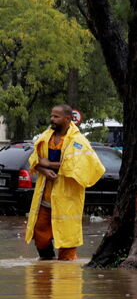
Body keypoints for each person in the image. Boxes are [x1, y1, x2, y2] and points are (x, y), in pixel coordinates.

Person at [25, 104, 105, 261]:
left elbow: (76, 165)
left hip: (67, 198)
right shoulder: (45, 137)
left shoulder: (78, 141)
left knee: (67, 237)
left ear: (68, 119)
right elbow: (34, 159)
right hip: (45, 197)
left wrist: (48, 164)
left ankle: (66, 275)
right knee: (39, 231)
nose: (52, 119)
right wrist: (43, 170)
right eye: (51, 116)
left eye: (56, 116)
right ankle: (46, 268)